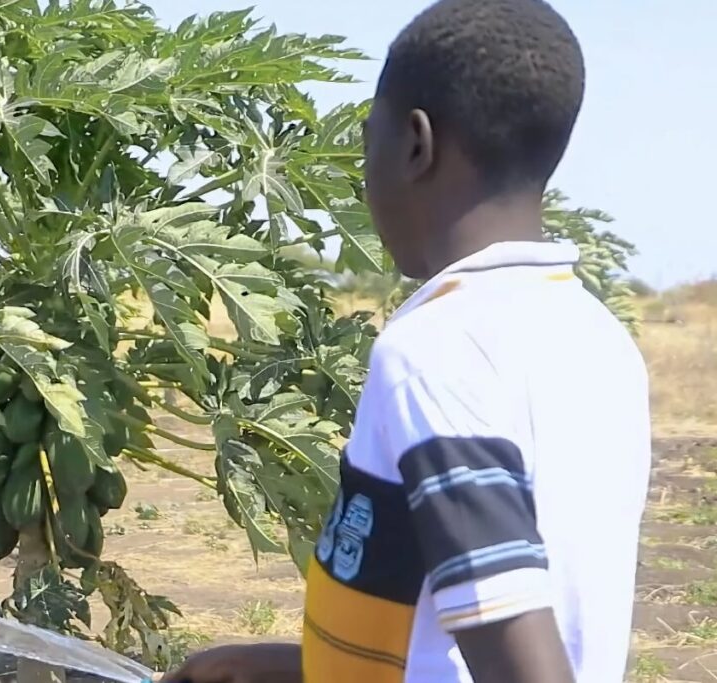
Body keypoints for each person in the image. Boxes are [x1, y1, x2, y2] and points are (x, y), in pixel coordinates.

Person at [161, 0, 652, 681]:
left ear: (416, 145)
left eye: (369, 142)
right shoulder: (597, 339)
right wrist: (284, 666)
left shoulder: (435, 351)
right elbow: (464, 634)